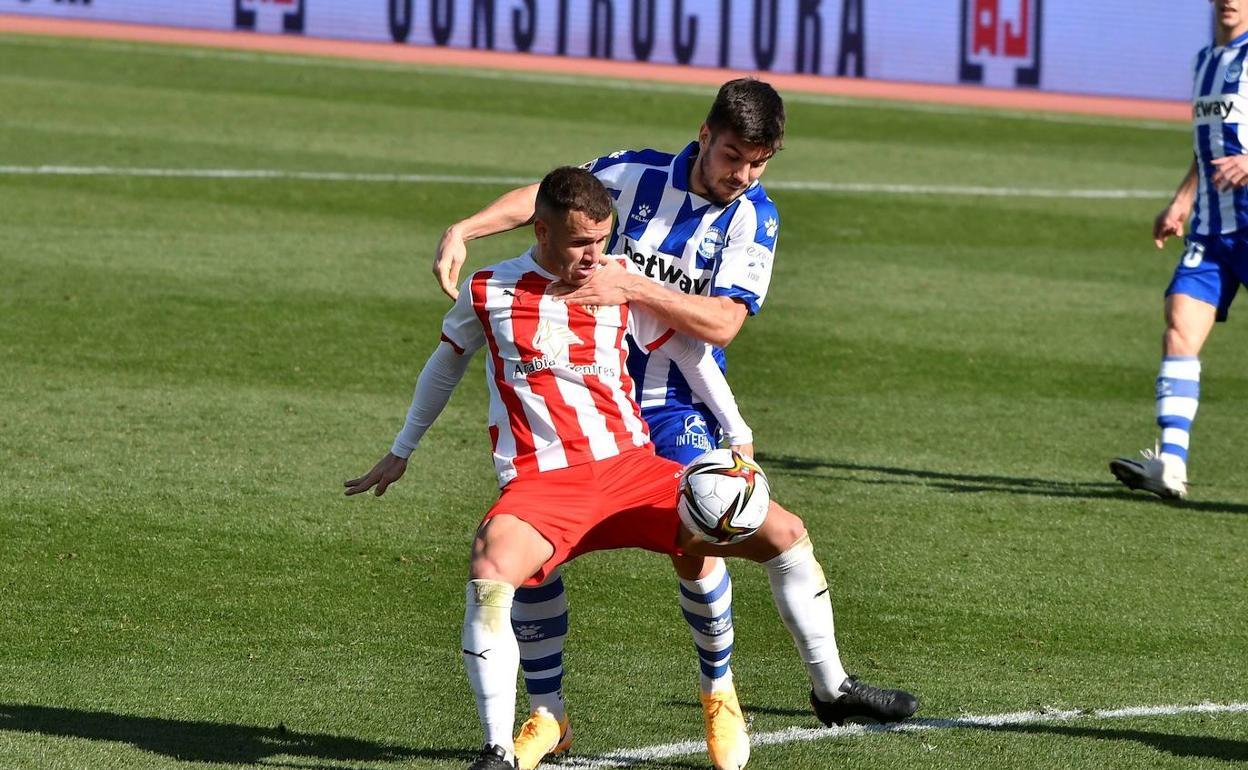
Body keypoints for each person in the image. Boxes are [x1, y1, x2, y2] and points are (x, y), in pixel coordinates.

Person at [349, 167, 917, 770]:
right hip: (544, 485)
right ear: (540, 230)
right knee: (492, 567)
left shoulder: (620, 283)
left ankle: (801, 690)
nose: (594, 257)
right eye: (578, 244)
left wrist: (740, 434)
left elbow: (690, 355)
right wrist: (402, 449)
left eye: (603, 240)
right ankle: (498, 750)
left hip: (632, 469)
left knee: (784, 532)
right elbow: (445, 367)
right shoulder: (489, 290)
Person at [1111, 0, 1248, 500]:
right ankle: (1170, 465)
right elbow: (1206, 146)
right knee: (1178, 327)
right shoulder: (1203, 61)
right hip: (1212, 231)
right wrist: (1182, 199)